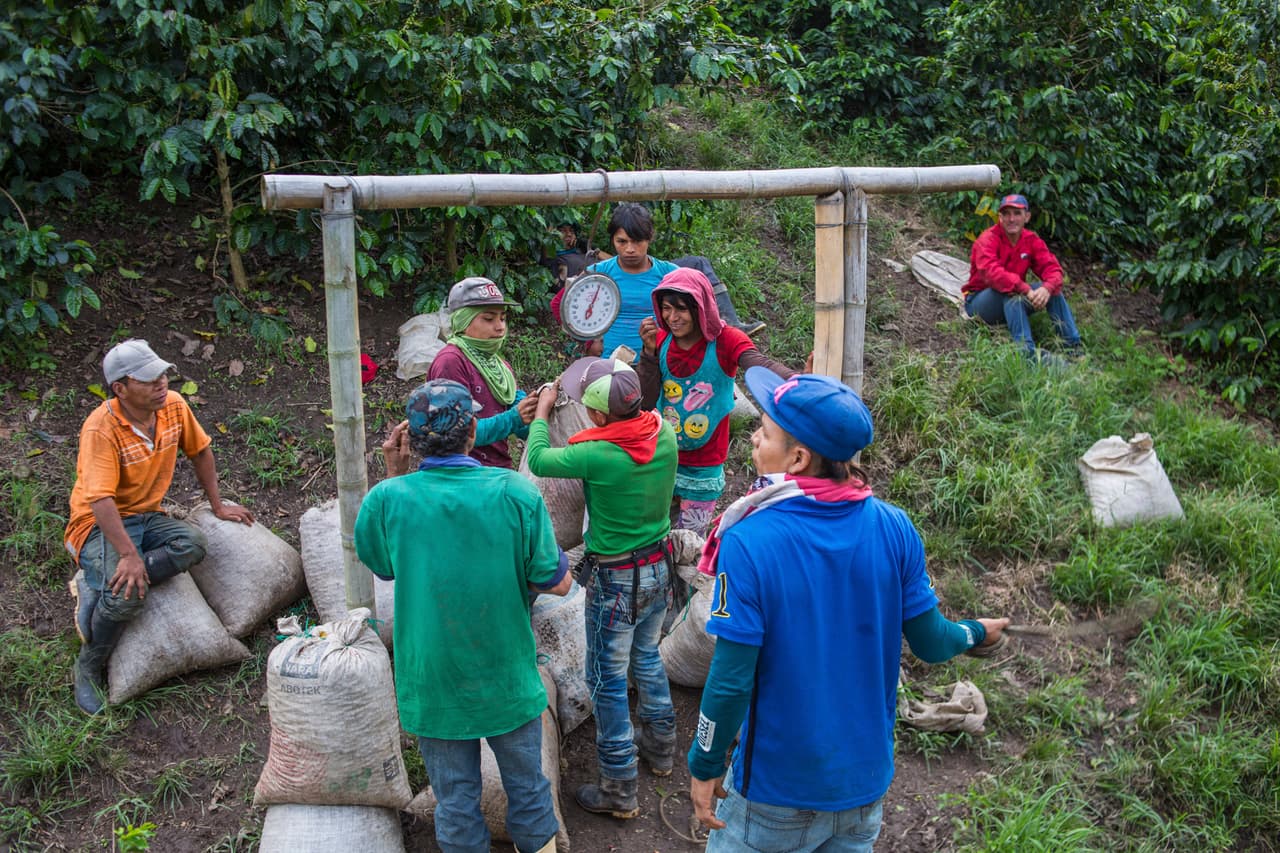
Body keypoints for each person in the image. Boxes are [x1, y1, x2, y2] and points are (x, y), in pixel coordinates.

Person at [687, 368, 1010, 851]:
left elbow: (732, 679)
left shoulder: (749, 541)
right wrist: (973, 632)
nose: (755, 435)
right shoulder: (894, 526)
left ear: (797, 458)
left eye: (767, 431)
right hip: (863, 791)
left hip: (777, 792)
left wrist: (705, 764)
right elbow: (931, 641)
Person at [355, 379, 571, 853]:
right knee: (529, 792)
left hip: (433, 681)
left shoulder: (387, 500)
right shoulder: (515, 493)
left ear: (410, 440)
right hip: (505, 676)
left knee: (454, 801)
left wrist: (395, 472)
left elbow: (385, 566)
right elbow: (555, 581)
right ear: (473, 431)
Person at [524, 357, 678, 819]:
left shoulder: (596, 453)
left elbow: (537, 460)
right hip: (660, 569)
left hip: (617, 582)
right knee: (647, 657)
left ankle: (619, 785)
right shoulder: (664, 433)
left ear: (597, 416)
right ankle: (663, 749)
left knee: (606, 681)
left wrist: (542, 413)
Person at [65, 339, 254, 715]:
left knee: (193, 545)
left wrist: (217, 505)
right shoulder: (101, 429)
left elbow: (200, 451)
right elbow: (101, 501)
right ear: (120, 388)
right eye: (149, 379)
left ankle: (105, 583)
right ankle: (88, 665)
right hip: (98, 525)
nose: (162, 383)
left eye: (163, 374)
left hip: (147, 515)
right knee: (126, 596)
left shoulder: (174, 407)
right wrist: (128, 556)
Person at [637, 266, 800, 534]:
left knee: (690, 542)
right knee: (653, 537)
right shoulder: (661, 338)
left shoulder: (725, 341)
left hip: (704, 461)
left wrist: (799, 381)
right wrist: (648, 352)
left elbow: (758, 364)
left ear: (700, 308)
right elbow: (646, 400)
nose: (672, 317)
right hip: (662, 454)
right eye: (666, 308)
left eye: (681, 309)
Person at [581, 203, 764, 358]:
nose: (630, 249)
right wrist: (590, 340)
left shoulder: (670, 274)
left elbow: (699, 315)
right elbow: (563, 307)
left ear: (650, 237)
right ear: (612, 239)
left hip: (663, 364)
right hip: (613, 367)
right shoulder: (597, 274)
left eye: (637, 241)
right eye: (622, 241)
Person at [428, 276, 538, 468]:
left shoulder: (500, 366)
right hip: (462, 476)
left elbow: (521, 426)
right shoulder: (451, 362)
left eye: (503, 318)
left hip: (497, 472)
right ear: (463, 321)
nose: (500, 326)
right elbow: (456, 433)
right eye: (489, 318)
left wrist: (540, 408)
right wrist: (514, 418)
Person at [964, 193, 1083, 360]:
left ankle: (1073, 349)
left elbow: (1053, 269)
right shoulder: (988, 239)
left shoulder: (1030, 239)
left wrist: (1046, 289)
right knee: (1013, 295)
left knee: (1054, 291)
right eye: (1006, 214)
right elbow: (992, 273)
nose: (1011, 219)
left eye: (1017, 213)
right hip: (980, 304)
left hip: (1013, 296)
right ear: (1000, 217)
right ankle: (1027, 353)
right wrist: (1025, 289)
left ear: (1027, 217)